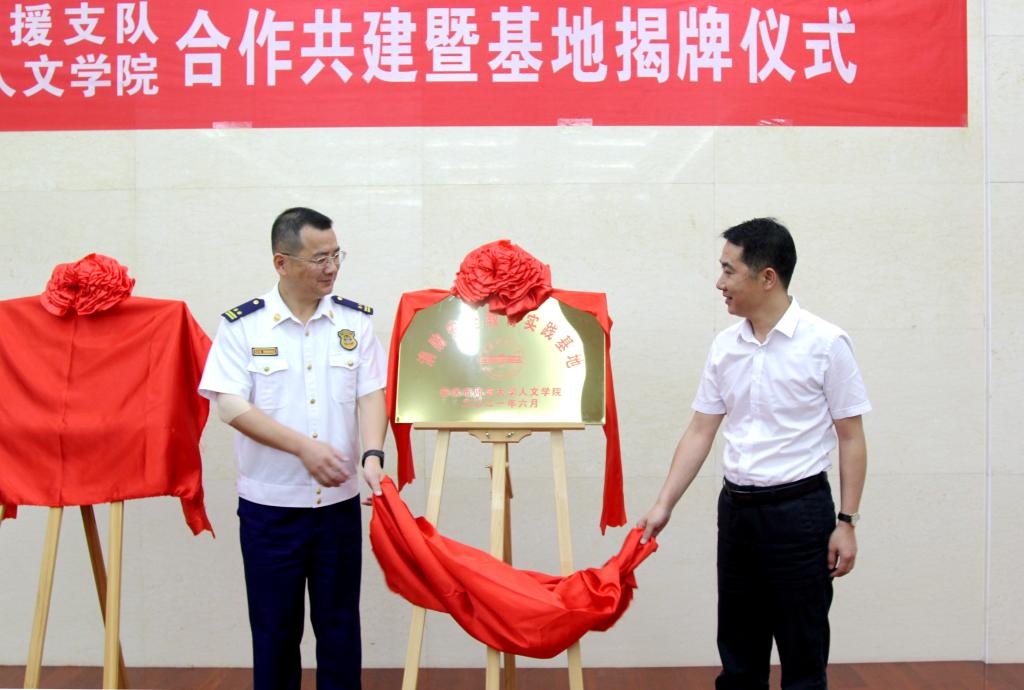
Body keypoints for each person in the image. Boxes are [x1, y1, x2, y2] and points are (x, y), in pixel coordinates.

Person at [638, 218, 869, 690]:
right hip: (738, 513)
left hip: (800, 515)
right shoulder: (725, 347)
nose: (719, 283)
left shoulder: (826, 343)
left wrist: (846, 522)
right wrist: (664, 504)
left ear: (767, 277)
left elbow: (851, 437)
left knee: (803, 657)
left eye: (729, 270)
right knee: (739, 655)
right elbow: (701, 430)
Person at [199, 207, 387, 690]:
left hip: (338, 508)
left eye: (336, 255)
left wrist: (372, 456)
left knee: (340, 629)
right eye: (319, 258)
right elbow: (230, 406)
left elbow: (371, 394)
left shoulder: (354, 321)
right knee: (275, 633)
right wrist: (304, 448)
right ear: (281, 263)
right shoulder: (243, 326)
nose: (332, 267)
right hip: (270, 510)